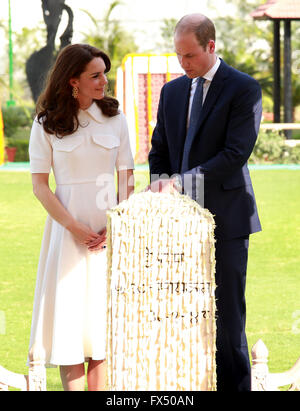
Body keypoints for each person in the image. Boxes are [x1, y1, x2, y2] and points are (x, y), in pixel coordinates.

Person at [148, 14, 262, 391]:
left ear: (211, 46)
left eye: (190, 56)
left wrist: (181, 183)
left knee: (228, 324)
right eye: (178, 56)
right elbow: (159, 150)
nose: (184, 64)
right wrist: (164, 189)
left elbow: (235, 154)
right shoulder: (172, 92)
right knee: (181, 319)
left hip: (227, 223)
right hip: (177, 225)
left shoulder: (244, 89)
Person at [27, 44, 134, 391]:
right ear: (73, 80)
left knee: (102, 330)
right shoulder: (46, 123)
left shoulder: (117, 119)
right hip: (66, 235)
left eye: (105, 72)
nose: (105, 80)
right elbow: (40, 186)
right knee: (70, 327)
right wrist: (73, 227)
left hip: (111, 235)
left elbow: (127, 179)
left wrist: (116, 224)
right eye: (96, 75)